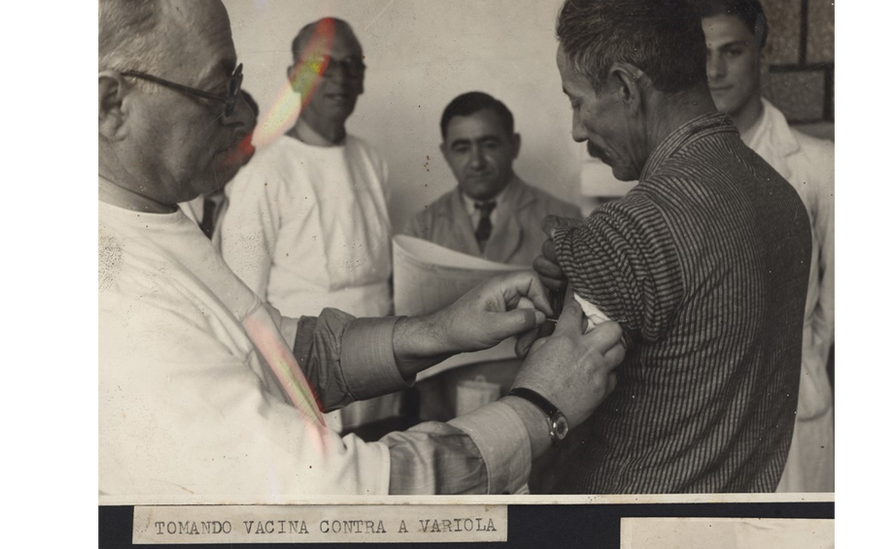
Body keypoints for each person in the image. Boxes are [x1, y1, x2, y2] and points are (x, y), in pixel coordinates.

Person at [97, 0, 624, 499]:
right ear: (109, 105)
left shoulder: (157, 212)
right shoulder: (120, 301)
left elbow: (272, 347)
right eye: (216, 93)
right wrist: (538, 409)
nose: (238, 117)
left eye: (236, 84)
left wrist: (437, 330)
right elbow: (338, 493)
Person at [533, 0, 811, 493]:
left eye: (577, 101)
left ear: (624, 86)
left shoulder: (632, 228)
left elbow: (552, 429)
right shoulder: (782, 198)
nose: (577, 129)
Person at [220, 18, 396, 433]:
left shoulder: (374, 162)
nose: (340, 77)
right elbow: (242, 305)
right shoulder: (264, 172)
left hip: (383, 369)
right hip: (306, 380)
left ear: (363, 78)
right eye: (322, 65)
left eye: (352, 64)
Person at [696, 0, 836, 492]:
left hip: (793, 407)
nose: (714, 70)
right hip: (701, 412)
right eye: (703, 52)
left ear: (763, 56)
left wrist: (797, 361)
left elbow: (830, 308)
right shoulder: (676, 167)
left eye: (732, 51)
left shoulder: (819, 164)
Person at [403, 92, 581, 266]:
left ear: (514, 145)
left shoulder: (565, 218)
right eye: (462, 148)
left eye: (489, 145)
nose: (476, 162)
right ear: (446, 154)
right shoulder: (420, 228)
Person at [178, 90, 259, 246]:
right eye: (215, 134)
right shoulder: (169, 199)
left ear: (248, 153)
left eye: (237, 140)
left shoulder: (249, 209)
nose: (222, 150)